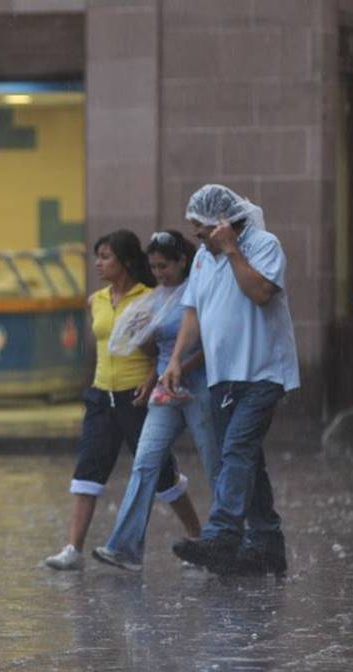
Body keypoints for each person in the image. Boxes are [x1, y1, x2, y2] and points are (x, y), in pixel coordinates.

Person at [162, 184, 300, 576]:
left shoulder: (263, 245)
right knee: (246, 460)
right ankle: (267, 544)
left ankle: (223, 533)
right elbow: (192, 313)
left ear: (221, 224)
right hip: (223, 376)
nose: (197, 239)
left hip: (262, 371)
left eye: (201, 230)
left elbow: (260, 293)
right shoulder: (203, 261)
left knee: (237, 450)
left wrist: (232, 250)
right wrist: (176, 360)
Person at [43, 230, 197, 571]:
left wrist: (150, 379)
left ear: (126, 261)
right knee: (87, 469)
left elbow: (160, 349)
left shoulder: (150, 297)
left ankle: (197, 536)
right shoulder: (95, 300)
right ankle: (73, 548)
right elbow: (98, 347)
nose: (98, 263)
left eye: (106, 257)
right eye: (97, 256)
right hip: (101, 394)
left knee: (161, 474)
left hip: (137, 396)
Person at [92, 230, 217, 572]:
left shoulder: (198, 293)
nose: (159, 273)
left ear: (182, 262)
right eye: (154, 267)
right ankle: (126, 547)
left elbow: (211, 345)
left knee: (214, 461)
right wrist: (142, 333)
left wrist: (180, 367)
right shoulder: (156, 298)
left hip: (198, 385)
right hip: (165, 388)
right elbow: (151, 349)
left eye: (164, 266)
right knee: (145, 461)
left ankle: (225, 538)